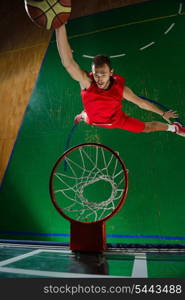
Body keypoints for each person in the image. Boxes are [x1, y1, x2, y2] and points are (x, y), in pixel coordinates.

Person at [55, 24, 185, 137]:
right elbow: (68, 63)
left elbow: (141, 103)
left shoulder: (120, 89)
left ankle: (175, 128)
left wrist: (162, 113)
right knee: (86, 116)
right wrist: (59, 26)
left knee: (148, 128)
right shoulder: (87, 82)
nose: (99, 79)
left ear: (111, 73)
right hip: (93, 118)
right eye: (96, 75)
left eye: (103, 74)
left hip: (117, 120)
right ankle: (82, 115)